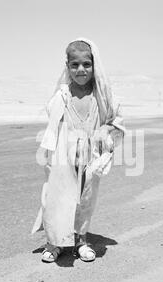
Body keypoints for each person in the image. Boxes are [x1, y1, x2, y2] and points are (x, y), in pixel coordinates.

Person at [32, 38, 125, 263]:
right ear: (67, 66)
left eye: (86, 64)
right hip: (63, 158)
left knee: (85, 199)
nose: (80, 70)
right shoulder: (62, 95)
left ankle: (81, 240)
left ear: (95, 66)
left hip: (89, 159)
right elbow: (52, 122)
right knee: (56, 199)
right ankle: (54, 242)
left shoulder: (103, 97)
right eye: (75, 65)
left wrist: (105, 129)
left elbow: (117, 121)